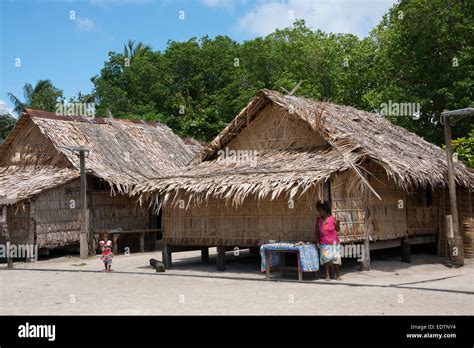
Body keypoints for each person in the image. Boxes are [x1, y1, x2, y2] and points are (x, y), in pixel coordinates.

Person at [315, 201, 342, 281]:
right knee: (326, 260)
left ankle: (337, 275)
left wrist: (337, 224)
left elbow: (338, 230)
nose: (319, 212)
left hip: (334, 242)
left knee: (335, 260)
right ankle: (327, 275)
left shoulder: (332, 218)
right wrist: (317, 241)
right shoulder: (318, 220)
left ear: (325, 210)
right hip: (324, 242)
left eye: (321, 210)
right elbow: (316, 232)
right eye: (319, 210)